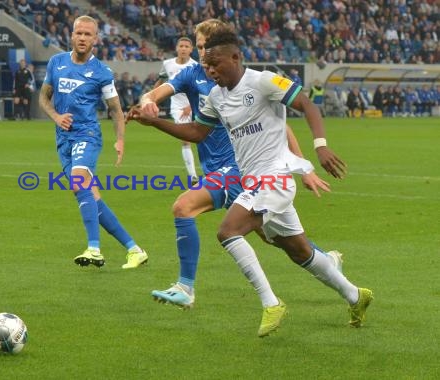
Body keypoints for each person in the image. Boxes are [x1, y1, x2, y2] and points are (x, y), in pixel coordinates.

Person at [129, 26, 373, 335]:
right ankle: (355, 295)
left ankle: (271, 302)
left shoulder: (263, 81)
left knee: (228, 231)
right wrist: (155, 123)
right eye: (206, 66)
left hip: (275, 178)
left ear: (235, 56)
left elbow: (307, 104)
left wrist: (320, 146)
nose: (211, 70)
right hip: (251, 182)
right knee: (300, 252)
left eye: (215, 63)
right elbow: (196, 133)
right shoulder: (216, 97)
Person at [38, 15, 148, 269]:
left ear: (95, 39)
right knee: (91, 197)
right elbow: (44, 97)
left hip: (87, 134)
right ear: (72, 35)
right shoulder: (56, 63)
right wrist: (55, 116)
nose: (83, 38)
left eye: (88, 34)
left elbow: (116, 110)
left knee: (78, 182)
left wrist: (120, 140)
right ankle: (134, 249)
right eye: (79, 33)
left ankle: (94, 248)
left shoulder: (101, 73)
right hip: (63, 140)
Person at [155, 37, 198, 183]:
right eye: (182, 46)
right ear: (177, 48)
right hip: (178, 107)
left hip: (195, 104)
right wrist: (150, 100)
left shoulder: (195, 66)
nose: (184, 48)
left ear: (191, 50)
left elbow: (201, 89)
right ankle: (193, 175)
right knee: (185, 139)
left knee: (205, 138)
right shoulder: (167, 64)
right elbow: (160, 82)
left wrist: (191, 106)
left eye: (187, 46)